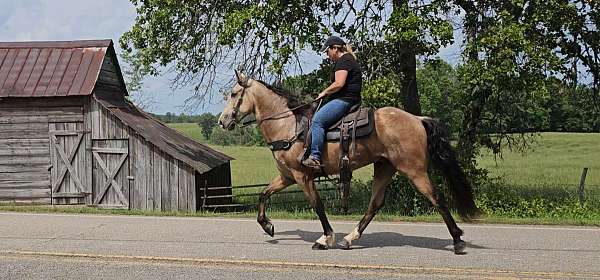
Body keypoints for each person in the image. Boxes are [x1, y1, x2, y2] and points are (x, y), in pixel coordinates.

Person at [302, 35, 363, 170]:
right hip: (349, 98)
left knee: (318, 121)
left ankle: (315, 157)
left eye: (327, 51)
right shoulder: (348, 59)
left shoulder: (344, 60)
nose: (327, 55)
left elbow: (339, 83)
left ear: (335, 48)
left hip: (344, 100)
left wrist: (324, 92)